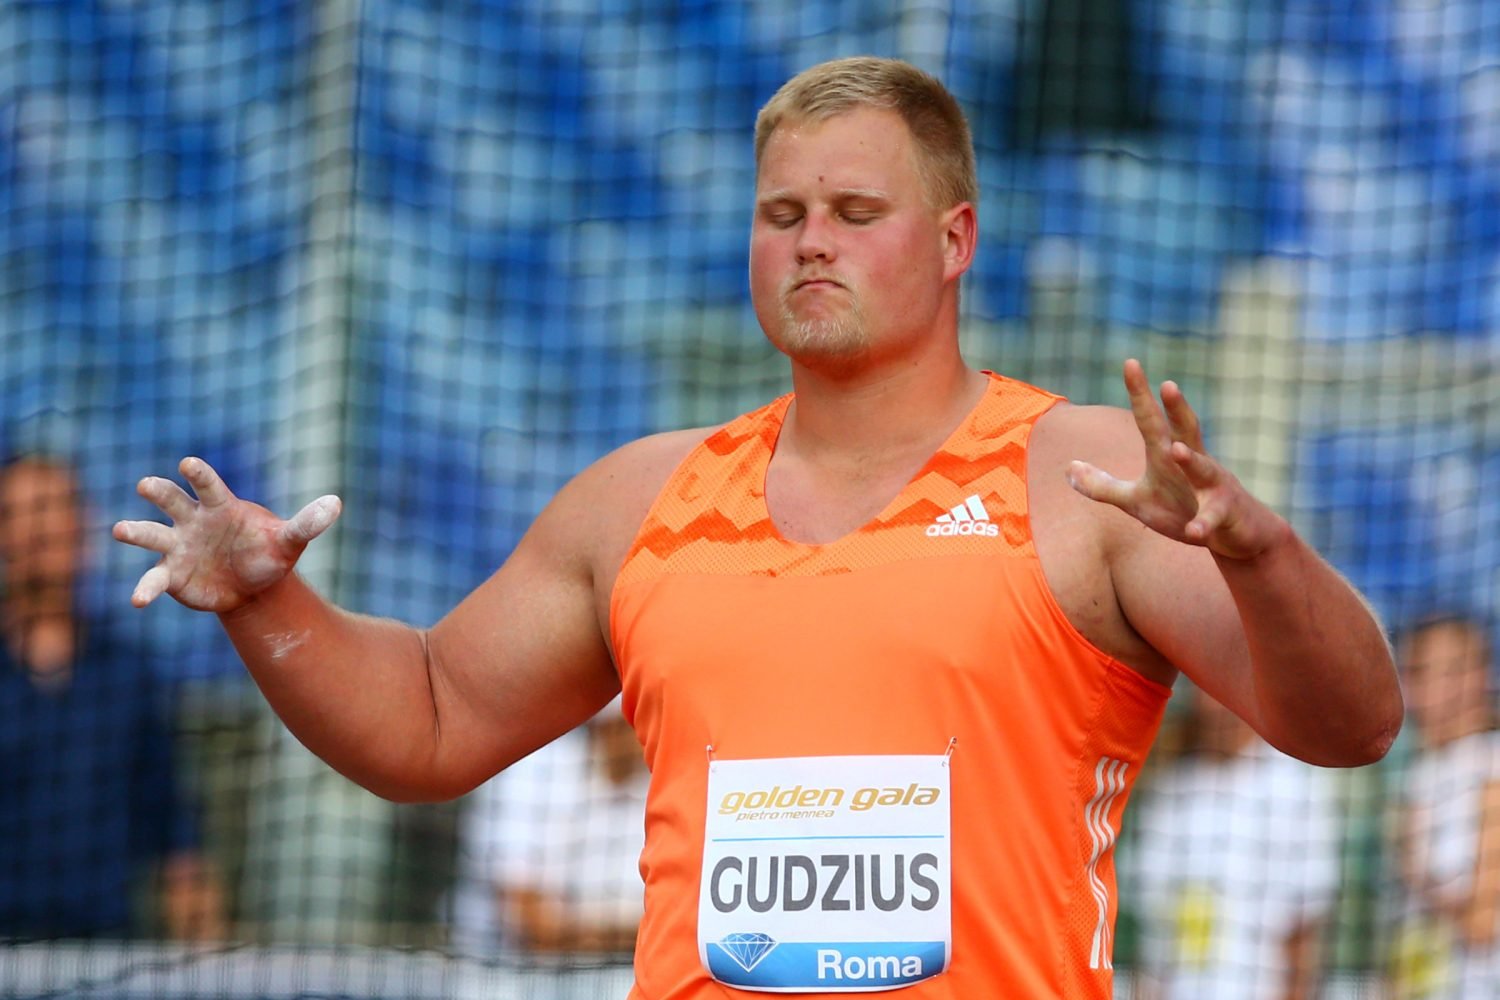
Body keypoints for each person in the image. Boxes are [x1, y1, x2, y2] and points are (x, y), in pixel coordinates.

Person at [112, 56, 1402, 998]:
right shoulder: (642, 498)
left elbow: (1353, 726)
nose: (810, 246)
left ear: (955, 239)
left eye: (855, 214)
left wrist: (1260, 553)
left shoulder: (1085, 474)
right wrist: (267, 604)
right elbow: (431, 720)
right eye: (782, 215)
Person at [0, 454, 224, 941]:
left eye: (48, 510)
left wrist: (205, 956)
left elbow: (172, 826)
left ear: (80, 528)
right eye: (14, 514)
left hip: (104, 955)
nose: (34, 533)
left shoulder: (128, 672)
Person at [1119, 685, 1342, 1000]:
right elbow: (1152, 944)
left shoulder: (1295, 787)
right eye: (1204, 691)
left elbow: (1303, 939)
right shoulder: (1168, 791)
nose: (1215, 706)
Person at [450, 695, 648, 957]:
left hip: (613, 973)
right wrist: (637, 934)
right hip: (496, 966)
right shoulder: (533, 767)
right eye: (631, 725)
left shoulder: (665, 783)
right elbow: (533, 926)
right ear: (604, 727)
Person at [1388, 613, 1500, 999]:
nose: (1416, 690)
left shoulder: (1492, 765)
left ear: (1479, 677)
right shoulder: (1420, 772)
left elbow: (1483, 925)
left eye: (1430, 672)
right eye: (1412, 672)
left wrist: (1415, 869)